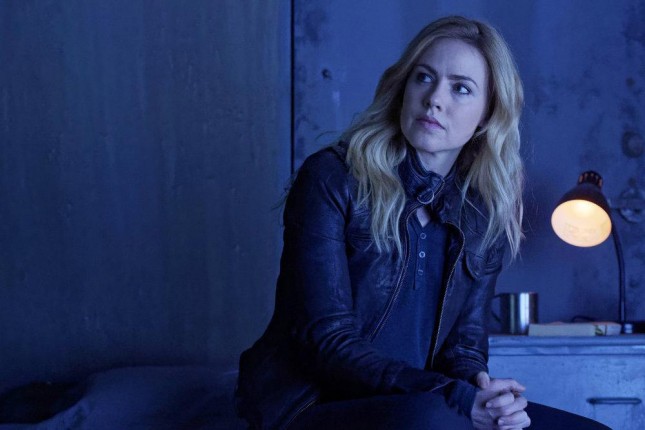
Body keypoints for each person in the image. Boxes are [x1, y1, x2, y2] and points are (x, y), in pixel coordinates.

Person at [235, 16, 611, 430]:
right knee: (430, 420)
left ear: (487, 115)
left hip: (422, 401)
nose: (434, 99)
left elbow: (463, 349)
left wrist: (484, 395)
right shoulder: (333, 178)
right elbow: (327, 341)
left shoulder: (482, 212)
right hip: (312, 404)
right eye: (424, 78)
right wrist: (453, 396)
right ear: (403, 89)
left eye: (460, 88)